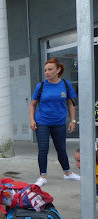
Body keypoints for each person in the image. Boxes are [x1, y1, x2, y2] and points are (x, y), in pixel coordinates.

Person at [29, 57, 80, 187]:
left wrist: (73, 120)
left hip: (59, 122)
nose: (47, 72)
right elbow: (33, 105)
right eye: (45, 70)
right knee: (43, 149)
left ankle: (67, 173)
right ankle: (42, 177)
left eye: (50, 69)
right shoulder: (40, 86)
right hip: (42, 122)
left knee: (61, 148)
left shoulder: (66, 85)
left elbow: (70, 104)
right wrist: (32, 119)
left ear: (58, 70)